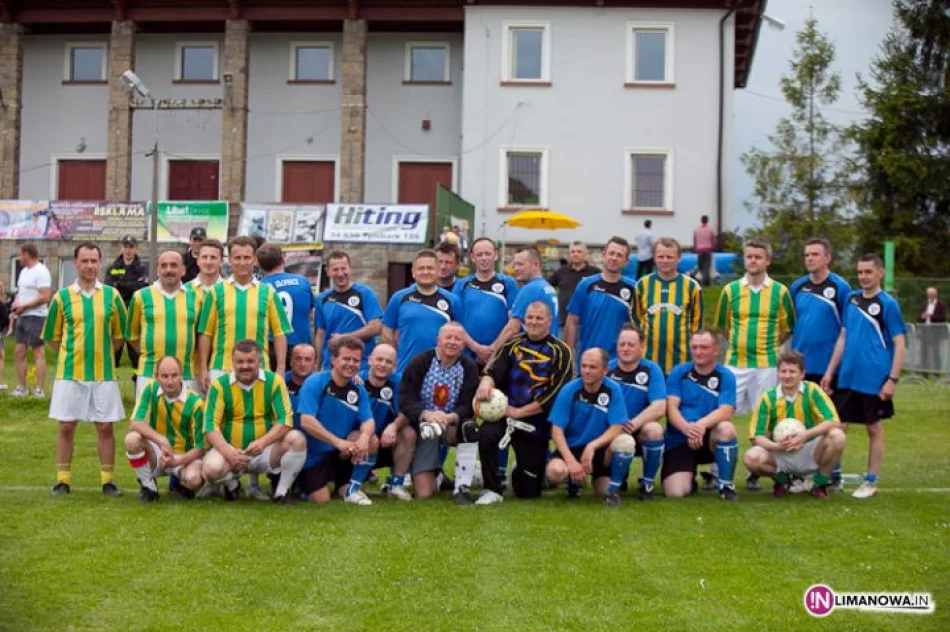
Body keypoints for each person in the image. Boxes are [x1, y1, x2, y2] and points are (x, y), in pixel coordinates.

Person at [42, 242, 128, 497]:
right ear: (75, 264)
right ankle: (63, 479)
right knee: (66, 426)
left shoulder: (112, 296)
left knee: (105, 427)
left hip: (103, 374)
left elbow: (119, 335)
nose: (90, 266)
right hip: (70, 373)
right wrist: (72, 354)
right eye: (85, 261)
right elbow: (52, 337)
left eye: (94, 261)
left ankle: (108, 480)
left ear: (100, 263)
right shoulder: (62, 297)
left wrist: (100, 354)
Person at [822, 254, 906, 500]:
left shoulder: (888, 304)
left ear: (880, 273)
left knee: (873, 428)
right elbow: (843, 337)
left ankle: (871, 480)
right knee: (838, 427)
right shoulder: (851, 299)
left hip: (874, 378)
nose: (863, 277)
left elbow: (900, 345)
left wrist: (892, 380)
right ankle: (825, 478)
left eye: (868, 272)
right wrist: (830, 371)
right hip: (847, 376)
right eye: (860, 272)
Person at [473, 301, 573, 504]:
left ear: (549, 321)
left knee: (528, 492)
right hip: (505, 412)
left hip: (534, 421)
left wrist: (519, 413)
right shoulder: (512, 344)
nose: (533, 322)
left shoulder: (561, 351)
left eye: (539, 318)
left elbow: (554, 395)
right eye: (530, 318)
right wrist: (485, 383)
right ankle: (492, 489)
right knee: (486, 434)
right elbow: (493, 371)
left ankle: (522, 470)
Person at [715, 237, 795, 491]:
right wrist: (741, 345)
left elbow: (787, 328)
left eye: (758, 257)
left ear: (767, 260)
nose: (753, 260)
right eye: (749, 256)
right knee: (723, 415)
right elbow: (723, 326)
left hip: (767, 364)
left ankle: (756, 470)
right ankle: (718, 471)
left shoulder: (780, 292)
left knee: (764, 420)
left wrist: (766, 347)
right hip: (735, 364)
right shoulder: (730, 290)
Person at [201, 339, 307, 503]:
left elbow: (285, 419)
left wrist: (263, 442)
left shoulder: (274, 382)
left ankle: (281, 493)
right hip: (231, 450)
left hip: (265, 451)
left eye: (250, 361)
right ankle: (232, 485)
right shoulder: (219, 386)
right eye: (240, 361)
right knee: (210, 469)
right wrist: (230, 454)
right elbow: (210, 426)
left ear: (260, 361)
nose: (245, 366)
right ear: (233, 362)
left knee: (297, 439)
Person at [744, 351, 847, 500]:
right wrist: (778, 446)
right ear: (778, 373)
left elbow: (833, 421)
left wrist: (804, 436)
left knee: (838, 436)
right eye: (783, 371)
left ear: (802, 374)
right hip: (781, 452)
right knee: (751, 457)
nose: (787, 376)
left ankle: (819, 484)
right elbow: (756, 437)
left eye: (792, 371)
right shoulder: (768, 397)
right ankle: (782, 480)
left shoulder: (812, 391)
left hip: (810, 450)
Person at [197, 236, 291, 393]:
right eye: (237, 258)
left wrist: (280, 369)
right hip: (222, 369)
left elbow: (280, 333)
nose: (242, 262)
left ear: (255, 260)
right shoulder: (216, 291)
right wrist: (203, 368)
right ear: (230, 260)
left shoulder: (267, 292)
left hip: (259, 370)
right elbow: (205, 333)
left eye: (247, 257)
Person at [399, 321, 480, 502]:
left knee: (469, 428)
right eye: (448, 337)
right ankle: (437, 475)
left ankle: (462, 489)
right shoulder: (420, 362)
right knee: (424, 494)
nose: (452, 342)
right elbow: (405, 399)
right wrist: (426, 414)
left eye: (457, 338)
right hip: (425, 428)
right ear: (438, 340)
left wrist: (452, 416)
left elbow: (468, 403)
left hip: (451, 425)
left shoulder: (469, 367)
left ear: (463, 343)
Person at [297, 336, 379, 505]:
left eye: (355, 360)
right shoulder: (316, 381)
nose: (351, 364)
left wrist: (364, 438)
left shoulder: (358, 389)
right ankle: (302, 484)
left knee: (371, 439)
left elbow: (368, 420)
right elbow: (306, 420)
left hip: (341, 453)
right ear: (334, 360)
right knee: (321, 500)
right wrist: (337, 442)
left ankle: (351, 489)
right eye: (346, 359)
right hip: (314, 455)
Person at [546, 348, 630, 505]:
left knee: (625, 442)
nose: (586, 371)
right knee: (555, 471)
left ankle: (612, 492)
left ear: (605, 370)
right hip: (572, 449)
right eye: (584, 366)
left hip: (600, 450)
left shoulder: (613, 390)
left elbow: (617, 427)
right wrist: (571, 461)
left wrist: (592, 446)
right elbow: (556, 431)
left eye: (592, 367)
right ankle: (570, 479)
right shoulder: (569, 390)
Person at [662, 330, 740, 501]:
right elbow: (671, 408)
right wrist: (687, 429)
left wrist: (701, 425)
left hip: (709, 438)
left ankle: (726, 486)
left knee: (726, 429)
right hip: (680, 438)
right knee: (675, 493)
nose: (698, 352)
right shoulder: (678, 372)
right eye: (694, 347)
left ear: (716, 350)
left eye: (704, 347)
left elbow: (726, 410)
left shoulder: (725, 375)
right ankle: (689, 479)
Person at [124, 356, 206, 502]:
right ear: (156, 377)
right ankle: (149, 487)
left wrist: (177, 461)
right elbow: (135, 423)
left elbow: (200, 447)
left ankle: (179, 482)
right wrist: (161, 440)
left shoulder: (195, 402)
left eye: (174, 376)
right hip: (158, 454)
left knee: (194, 480)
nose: (169, 381)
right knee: (132, 439)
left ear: (181, 375)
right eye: (164, 376)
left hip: (183, 456)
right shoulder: (150, 389)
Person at [126, 251, 203, 401]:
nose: (168, 270)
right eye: (164, 265)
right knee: (146, 420)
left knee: (183, 422)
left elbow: (201, 337)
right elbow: (132, 336)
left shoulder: (197, 298)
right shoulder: (141, 296)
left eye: (174, 265)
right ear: (157, 270)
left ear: (183, 270)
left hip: (185, 374)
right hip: (149, 373)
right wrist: (151, 352)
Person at [606, 325, 667, 500]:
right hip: (611, 430)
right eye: (622, 344)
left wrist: (632, 425)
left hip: (638, 430)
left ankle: (647, 484)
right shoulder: (606, 370)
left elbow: (659, 407)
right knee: (600, 488)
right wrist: (618, 426)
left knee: (655, 429)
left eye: (631, 345)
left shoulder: (652, 370)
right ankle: (616, 484)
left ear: (642, 346)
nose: (625, 349)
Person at [382, 249, 462, 374]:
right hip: (405, 369)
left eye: (430, 268)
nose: (425, 272)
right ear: (413, 272)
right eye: (421, 268)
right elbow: (387, 331)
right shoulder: (399, 297)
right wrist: (396, 356)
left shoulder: (452, 300)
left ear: (437, 271)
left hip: (441, 372)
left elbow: (460, 335)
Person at [633, 237, 703, 375]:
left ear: (679, 258)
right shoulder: (642, 285)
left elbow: (697, 326)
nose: (665, 260)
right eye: (660, 256)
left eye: (670, 257)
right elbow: (636, 319)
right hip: (648, 361)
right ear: (654, 258)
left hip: (682, 361)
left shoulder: (692, 287)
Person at [564, 236, 636, 363]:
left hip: (619, 362)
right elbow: (572, 322)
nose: (614, 258)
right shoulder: (586, 285)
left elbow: (638, 327)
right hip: (588, 360)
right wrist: (568, 359)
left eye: (619, 255)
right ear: (604, 255)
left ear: (626, 261)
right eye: (611, 253)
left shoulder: (634, 289)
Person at [790, 238, 852, 385]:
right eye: (807, 255)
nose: (810, 258)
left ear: (827, 258)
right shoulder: (797, 287)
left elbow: (847, 331)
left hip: (829, 367)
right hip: (800, 366)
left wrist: (833, 369)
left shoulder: (841, 287)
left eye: (815, 254)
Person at [359, 343, 416, 501]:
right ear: (370, 360)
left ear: (395, 365)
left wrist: (393, 426)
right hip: (358, 441)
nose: (383, 365)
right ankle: (352, 483)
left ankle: (396, 484)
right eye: (379, 359)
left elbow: (406, 412)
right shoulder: (357, 381)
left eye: (388, 362)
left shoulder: (400, 382)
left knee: (408, 433)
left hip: (386, 441)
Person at [453, 237, 520, 365]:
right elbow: (454, 323)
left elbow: (514, 323)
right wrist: (476, 348)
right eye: (479, 254)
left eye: (487, 254)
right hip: (466, 355)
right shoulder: (461, 285)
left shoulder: (508, 283)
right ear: (473, 258)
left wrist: (493, 349)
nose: (484, 258)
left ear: (495, 255)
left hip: (499, 355)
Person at [314, 251, 383, 370]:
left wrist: (344, 338)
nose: (340, 273)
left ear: (350, 269)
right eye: (335, 269)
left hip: (360, 366)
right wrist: (317, 365)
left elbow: (376, 327)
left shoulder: (365, 293)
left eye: (343, 268)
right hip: (331, 366)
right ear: (328, 272)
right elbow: (321, 333)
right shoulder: (322, 299)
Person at [257, 242, 316, 367]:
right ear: (283, 259)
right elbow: (311, 314)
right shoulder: (303, 281)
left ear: (259, 264)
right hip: (301, 347)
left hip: (272, 348)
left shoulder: (259, 287)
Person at [496, 246, 561, 346]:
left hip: (536, 352)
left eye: (520, 264)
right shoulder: (547, 287)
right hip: (550, 349)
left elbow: (512, 328)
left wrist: (493, 354)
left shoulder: (530, 289)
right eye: (515, 264)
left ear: (536, 265)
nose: (516, 268)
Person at [105, 235, 150, 376]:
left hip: (135, 313)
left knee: (136, 353)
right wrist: (130, 285)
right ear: (121, 248)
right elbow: (109, 288)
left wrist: (121, 284)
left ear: (136, 249)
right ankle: (110, 381)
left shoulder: (142, 268)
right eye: (125, 246)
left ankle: (139, 387)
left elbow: (143, 287)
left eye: (131, 247)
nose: (128, 250)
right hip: (116, 314)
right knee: (113, 352)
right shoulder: (113, 267)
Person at [11, 243, 52, 397]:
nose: (20, 258)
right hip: (22, 315)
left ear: (27, 254)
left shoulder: (41, 271)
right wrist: (17, 304)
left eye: (21, 254)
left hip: (36, 316)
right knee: (19, 351)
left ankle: (39, 390)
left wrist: (25, 306)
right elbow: (21, 292)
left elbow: (45, 296)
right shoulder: (23, 272)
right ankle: (21, 388)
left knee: (38, 352)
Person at [547, 241, 600, 329]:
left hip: (587, 323)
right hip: (563, 323)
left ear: (586, 254)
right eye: (573, 252)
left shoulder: (595, 273)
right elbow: (547, 287)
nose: (575, 254)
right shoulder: (561, 272)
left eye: (579, 252)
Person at [918, 287, 947, 375]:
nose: (930, 296)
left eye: (932, 294)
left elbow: (943, 318)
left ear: (935, 295)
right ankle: (924, 373)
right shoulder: (923, 304)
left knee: (936, 352)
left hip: (935, 331)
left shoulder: (941, 305)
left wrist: (931, 315)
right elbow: (918, 318)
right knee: (924, 352)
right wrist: (923, 316)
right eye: (929, 294)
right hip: (925, 330)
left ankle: (936, 373)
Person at [693, 215, 716, 286]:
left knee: (700, 266)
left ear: (701, 220)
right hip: (708, 250)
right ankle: (703, 282)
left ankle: (706, 281)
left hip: (699, 250)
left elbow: (695, 240)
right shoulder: (710, 230)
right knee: (706, 266)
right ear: (707, 221)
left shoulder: (696, 230)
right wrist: (713, 247)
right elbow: (713, 240)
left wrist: (696, 248)